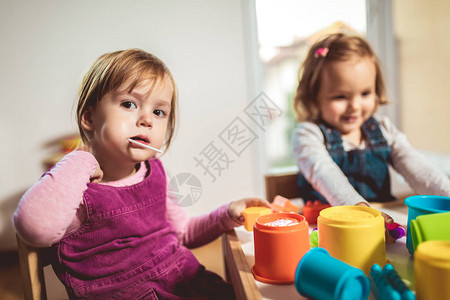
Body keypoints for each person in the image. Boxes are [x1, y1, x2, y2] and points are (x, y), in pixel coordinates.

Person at [13, 49, 269, 299]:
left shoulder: (155, 171)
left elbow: (182, 233)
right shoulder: (75, 188)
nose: (147, 119)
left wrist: (225, 215)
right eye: (129, 104)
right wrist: (81, 158)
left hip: (185, 281)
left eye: (159, 112)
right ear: (89, 118)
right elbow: (33, 227)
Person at [292, 33, 450, 224]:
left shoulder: (383, 129)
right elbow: (324, 173)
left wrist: (446, 194)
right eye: (340, 97)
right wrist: (360, 211)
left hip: (383, 225)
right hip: (331, 230)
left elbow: (419, 169)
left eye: (365, 93)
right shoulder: (308, 135)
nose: (355, 106)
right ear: (313, 96)